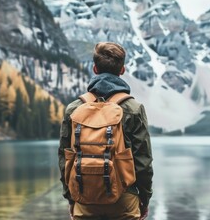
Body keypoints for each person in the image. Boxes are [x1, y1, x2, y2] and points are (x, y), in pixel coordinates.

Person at [59, 42, 154, 220]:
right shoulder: (133, 108)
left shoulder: (74, 108)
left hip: (84, 198)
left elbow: (65, 158)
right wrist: (145, 198)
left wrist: (71, 198)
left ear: (94, 69)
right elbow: (143, 162)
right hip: (124, 199)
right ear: (122, 70)